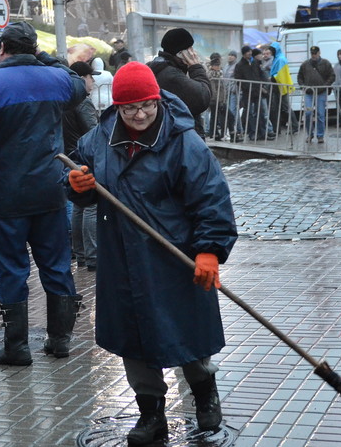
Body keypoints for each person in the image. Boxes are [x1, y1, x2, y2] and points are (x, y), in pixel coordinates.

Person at [67, 61, 237, 444]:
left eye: (147, 105)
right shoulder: (98, 139)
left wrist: (209, 251)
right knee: (134, 339)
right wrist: (76, 184)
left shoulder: (183, 141)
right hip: (122, 259)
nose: (140, 114)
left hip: (173, 257)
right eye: (130, 108)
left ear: (157, 99)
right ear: (117, 107)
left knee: (185, 333)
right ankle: (151, 415)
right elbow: (80, 174)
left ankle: (205, 394)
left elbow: (211, 199)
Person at [0, 22, 87, 366]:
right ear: (33, 48)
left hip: (5, 195)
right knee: (57, 265)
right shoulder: (56, 79)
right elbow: (77, 86)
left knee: (12, 269)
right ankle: (60, 341)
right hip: (50, 191)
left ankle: (16, 347)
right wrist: (44, 56)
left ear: (1, 48)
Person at [63, 61, 99, 271]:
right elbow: (92, 131)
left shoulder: (64, 99)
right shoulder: (82, 102)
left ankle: (82, 254)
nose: (93, 81)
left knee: (78, 206)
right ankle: (92, 256)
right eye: (90, 77)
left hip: (70, 155)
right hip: (85, 158)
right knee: (90, 206)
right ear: (82, 78)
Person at [147, 28, 211, 139]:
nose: (193, 52)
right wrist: (196, 68)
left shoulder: (160, 67)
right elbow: (203, 97)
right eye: (189, 48)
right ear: (181, 53)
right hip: (181, 138)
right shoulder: (171, 75)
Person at [298, 46, 335, 143]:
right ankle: (309, 134)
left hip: (321, 92)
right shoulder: (305, 64)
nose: (314, 55)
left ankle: (320, 135)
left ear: (319, 53)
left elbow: (332, 76)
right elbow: (300, 77)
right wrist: (303, 86)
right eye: (312, 53)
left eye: (315, 53)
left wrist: (325, 86)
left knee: (320, 114)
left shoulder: (326, 63)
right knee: (308, 113)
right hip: (309, 92)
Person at [265, 42, 295, 136]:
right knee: (276, 108)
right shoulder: (277, 58)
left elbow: (280, 74)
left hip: (280, 86)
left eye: (272, 50)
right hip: (276, 86)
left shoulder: (280, 59)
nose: (271, 52)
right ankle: (276, 128)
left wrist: (273, 77)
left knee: (285, 108)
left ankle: (294, 126)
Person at [222, 50, 243, 140]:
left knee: (232, 111)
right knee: (235, 112)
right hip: (227, 92)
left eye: (232, 55)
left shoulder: (237, 66)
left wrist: (235, 89)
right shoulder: (226, 66)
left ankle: (235, 131)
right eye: (229, 55)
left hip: (234, 92)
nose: (230, 57)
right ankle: (239, 130)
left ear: (235, 57)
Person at [206, 55, 227, 140]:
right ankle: (214, 133)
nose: (218, 67)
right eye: (217, 65)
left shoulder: (219, 73)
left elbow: (222, 87)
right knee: (214, 116)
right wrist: (216, 98)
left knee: (216, 116)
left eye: (219, 65)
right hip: (214, 98)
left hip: (219, 98)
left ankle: (216, 133)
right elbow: (213, 88)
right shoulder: (211, 74)